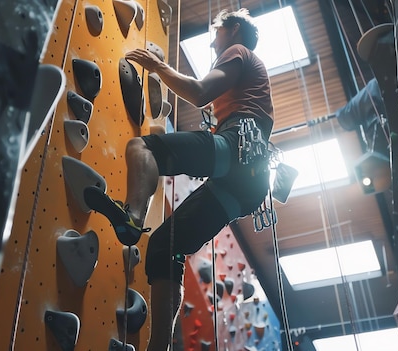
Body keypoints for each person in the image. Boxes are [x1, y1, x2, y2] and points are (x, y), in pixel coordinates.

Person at [83, 8, 274, 351]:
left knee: (143, 147)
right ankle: (160, 347)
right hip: (246, 183)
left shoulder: (239, 51)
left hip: (238, 148)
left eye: (217, 33)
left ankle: (133, 216)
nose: (214, 43)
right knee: (163, 248)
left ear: (232, 30)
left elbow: (200, 91)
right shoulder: (249, 74)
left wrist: (159, 67)